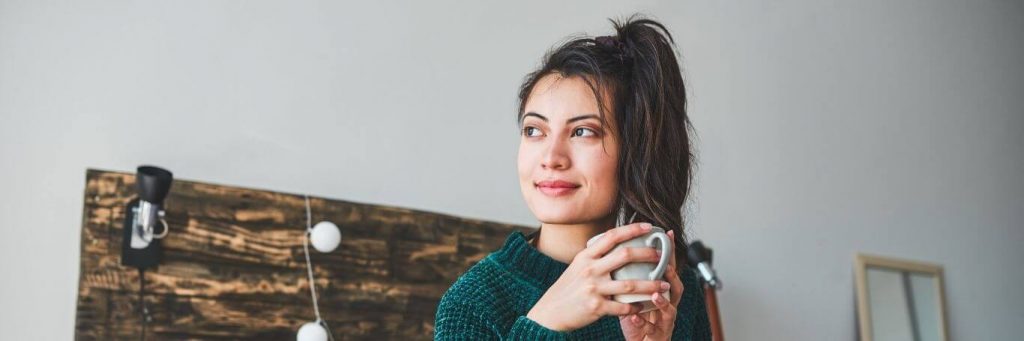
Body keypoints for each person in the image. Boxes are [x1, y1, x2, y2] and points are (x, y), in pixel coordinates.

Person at [434, 14, 711, 340]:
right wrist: (545, 322)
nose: (551, 158)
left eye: (582, 132)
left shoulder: (674, 288)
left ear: (633, 152)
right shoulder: (473, 303)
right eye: (534, 130)